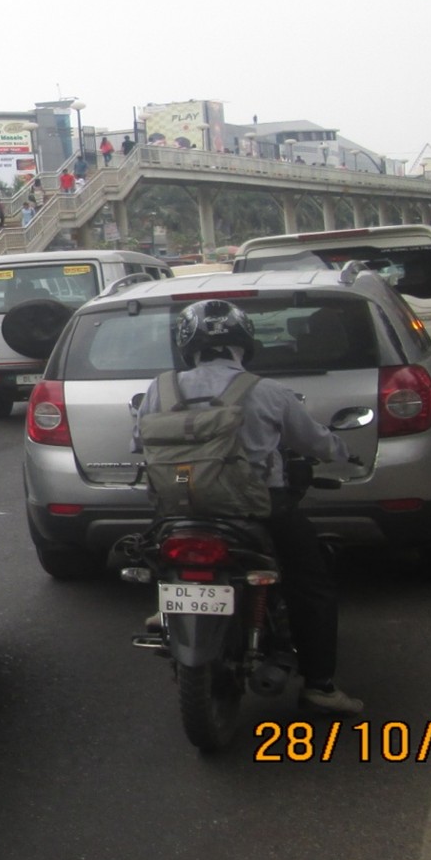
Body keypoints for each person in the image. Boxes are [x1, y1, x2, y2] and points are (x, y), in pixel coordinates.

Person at [136, 299, 360, 715]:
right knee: (311, 584)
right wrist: (341, 450)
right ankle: (320, 685)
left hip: (183, 501)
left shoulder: (159, 388)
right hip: (257, 507)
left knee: (160, 535)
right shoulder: (268, 391)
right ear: (243, 344)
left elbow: (139, 443)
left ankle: (168, 601)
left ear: (188, 346)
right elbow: (314, 443)